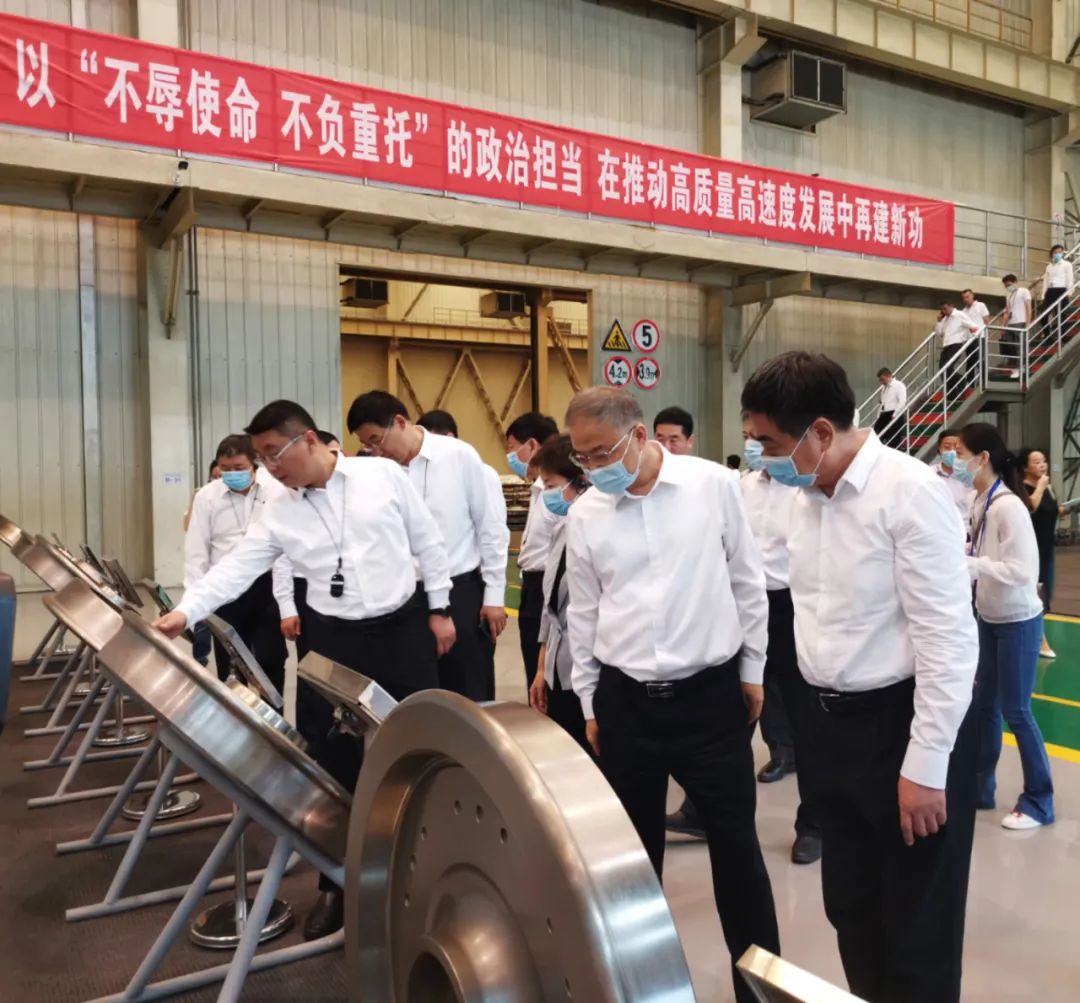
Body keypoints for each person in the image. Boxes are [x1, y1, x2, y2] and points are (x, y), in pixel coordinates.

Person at [152, 399, 453, 941]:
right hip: (333, 638)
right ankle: (336, 885)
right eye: (261, 458)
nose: (269, 468)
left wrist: (440, 608)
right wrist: (185, 612)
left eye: (274, 453)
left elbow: (429, 542)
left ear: (309, 440)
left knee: (421, 745)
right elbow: (235, 569)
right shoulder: (278, 510)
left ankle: (434, 874)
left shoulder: (382, 476)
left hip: (402, 632)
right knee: (334, 759)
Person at [742, 352, 978, 1003]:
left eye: (770, 443)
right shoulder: (802, 499)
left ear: (821, 431)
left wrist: (925, 763)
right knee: (851, 909)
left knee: (916, 930)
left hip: (900, 727)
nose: (761, 456)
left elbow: (947, 638)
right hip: (827, 730)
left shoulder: (909, 493)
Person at [564, 387, 779, 1003]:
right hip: (626, 704)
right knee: (631, 867)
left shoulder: (713, 487)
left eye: (600, 453)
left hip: (709, 700)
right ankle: (640, 989)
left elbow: (747, 580)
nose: (592, 468)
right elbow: (585, 611)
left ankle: (758, 991)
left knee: (737, 856)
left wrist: (753, 670)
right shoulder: (587, 514)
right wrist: (589, 701)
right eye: (581, 458)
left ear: (638, 436)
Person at [348, 391, 509, 701]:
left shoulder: (458, 456)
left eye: (377, 440)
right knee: (415, 694)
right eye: (368, 446)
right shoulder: (379, 472)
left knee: (467, 691)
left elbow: (490, 528)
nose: (376, 451)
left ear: (399, 421)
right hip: (405, 599)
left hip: (460, 593)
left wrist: (494, 596)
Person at [954, 424, 1054, 831]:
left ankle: (1039, 801)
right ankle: (981, 788)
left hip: (1017, 621)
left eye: (960, 453)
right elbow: (978, 549)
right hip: (990, 617)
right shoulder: (978, 499)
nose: (954, 460)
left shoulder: (1008, 506)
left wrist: (971, 564)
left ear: (982, 458)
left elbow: (1021, 571)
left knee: (1017, 710)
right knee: (985, 706)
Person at [183, 434, 293, 691]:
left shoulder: (276, 489)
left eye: (239, 468)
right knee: (230, 660)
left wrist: (287, 604)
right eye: (226, 468)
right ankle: (235, 709)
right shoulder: (207, 497)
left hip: (268, 584)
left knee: (271, 659)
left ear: (254, 463)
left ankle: (272, 713)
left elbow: (286, 542)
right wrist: (196, 603)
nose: (232, 474)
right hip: (225, 587)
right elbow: (196, 550)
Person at [527, 434, 593, 756]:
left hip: (590, 674)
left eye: (552, 485)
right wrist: (542, 669)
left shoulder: (596, 532)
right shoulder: (562, 529)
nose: (548, 495)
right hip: (559, 670)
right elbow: (549, 611)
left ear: (580, 481)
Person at [506, 412, 560, 688]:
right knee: (532, 660)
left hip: (547, 585)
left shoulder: (557, 492)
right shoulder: (538, 488)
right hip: (531, 585)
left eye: (513, 447)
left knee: (545, 667)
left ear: (532, 445)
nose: (511, 456)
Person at [1017, 447, 1067, 659]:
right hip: (1031, 549)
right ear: (1025, 467)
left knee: (1046, 593)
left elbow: (1049, 510)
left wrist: (1060, 510)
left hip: (1047, 549)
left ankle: (1035, 636)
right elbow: (1031, 507)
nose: (1042, 465)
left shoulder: (1047, 487)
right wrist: (1040, 486)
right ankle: (1040, 640)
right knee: (1035, 594)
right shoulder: (1022, 488)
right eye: (1036, 462)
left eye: (1044, 460)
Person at [934, 301, 981, 398]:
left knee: (947, 368)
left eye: (945, 309)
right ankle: (951, 393)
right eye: (942, 310)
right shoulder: (945, 318)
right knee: (942, 370)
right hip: (946, 346)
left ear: (951, 306)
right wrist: (939, 321)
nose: (944, 311)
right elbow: (939, 333)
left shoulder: (959, 315)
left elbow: (974, 326)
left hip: (956, 345)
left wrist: (969, 336)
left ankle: (961, 380)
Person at [929, 428, 973, 522]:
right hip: (938, 526)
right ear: (939, 449)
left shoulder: (970, 475)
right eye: (947, 447)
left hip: (965, 527)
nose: (952, 451)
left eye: (957, 448)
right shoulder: (929, 473)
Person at [1041, 244, 1074, 340]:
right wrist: (1043, 295)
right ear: (1052, 254)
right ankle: (1047, 334)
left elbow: (1070, 278)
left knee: (1061, 314)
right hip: (1050, 291)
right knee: (1044, 315)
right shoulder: (1049, 266)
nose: (1058, 254)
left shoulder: (1067, 264)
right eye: (1055, 252)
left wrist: (1069, 292)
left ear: (1062, 253)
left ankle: (1063, 335)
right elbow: (1046, 282)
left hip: (1061, 290)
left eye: (1060, 252)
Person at [1001, 274, 1032, 375]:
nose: (1007, 287)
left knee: (1020, 346)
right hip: (1010, 324)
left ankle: (1022, 367)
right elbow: (1007, 312)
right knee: (1012, 347)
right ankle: (1016, 366)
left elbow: (1028, 307)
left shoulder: (1024, 291)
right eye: (1006, 286)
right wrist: (1003, 326)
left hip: (1021, 322)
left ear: (1015, 282)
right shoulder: (1008, 295)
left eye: (1009, 284)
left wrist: (1028, 323)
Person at [873, 367, 907, 447]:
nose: (881, 382)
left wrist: (895, 413)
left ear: (888, 376)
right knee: (876, 434)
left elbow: (902, 401)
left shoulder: (899, 385)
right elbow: (883, 402)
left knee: (894, 440)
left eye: (883, 379)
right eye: (880, 380)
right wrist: (879, 414)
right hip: (884, 414)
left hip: (894, 414)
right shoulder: (884, 388)